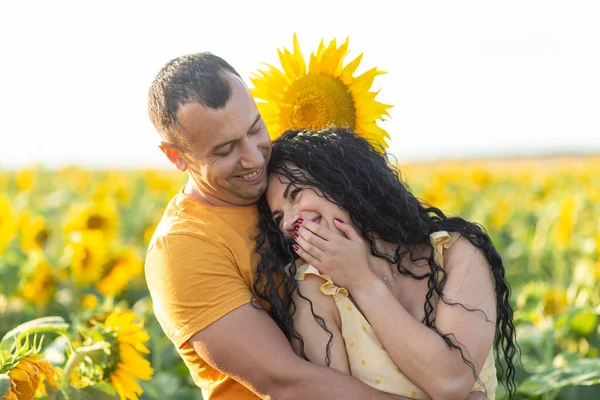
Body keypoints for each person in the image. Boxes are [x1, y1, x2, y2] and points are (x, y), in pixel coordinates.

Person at [144, 52, 431, 400]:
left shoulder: (288, 175)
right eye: (225, 150)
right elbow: (285, 382)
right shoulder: (183, 249)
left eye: (255, 129)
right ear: (176, 156)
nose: (253, 158)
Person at [254, 127, 518, 400]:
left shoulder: (456, 253)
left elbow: (451, 382)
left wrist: (361, 281)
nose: (288, 223)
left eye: (295, 193)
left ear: (341, 178)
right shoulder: (313, 292)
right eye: (278, 218)